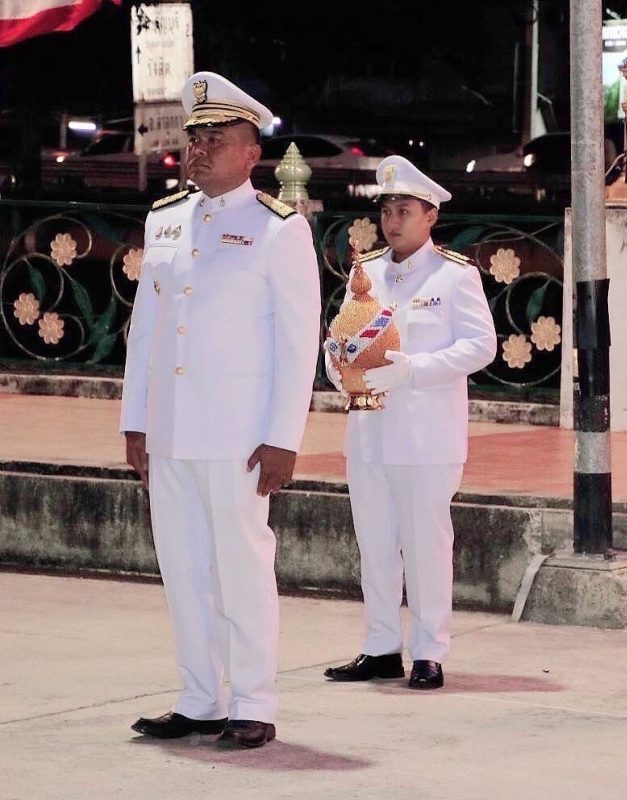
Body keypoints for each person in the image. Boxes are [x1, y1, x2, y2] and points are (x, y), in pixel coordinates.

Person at [120, 71, 321, 748]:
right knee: (183, 570)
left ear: (251, 153)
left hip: (239, 434)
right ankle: (199, 698)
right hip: (172, 428)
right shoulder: (165, 219)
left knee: (241, 568)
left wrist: (283, 437)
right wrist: (136, 419)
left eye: (216, 139)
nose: (199, 149)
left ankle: (253, 701)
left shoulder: (278, 229)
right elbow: (146, 331)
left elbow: (297, 342)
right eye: (195, 137)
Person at [323, 156, 496, 690]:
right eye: (387, 211)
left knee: (425, 546)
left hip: (425, 434)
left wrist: (415, 369)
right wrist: (338, 368)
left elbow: (481, 345)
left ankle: (428, 650)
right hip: (369, 432)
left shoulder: (454, 275)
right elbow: (342, 336)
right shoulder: (368, 272)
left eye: (405, 211)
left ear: (430, 216)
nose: (393, 221)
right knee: (374, 543)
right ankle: (379, 647)